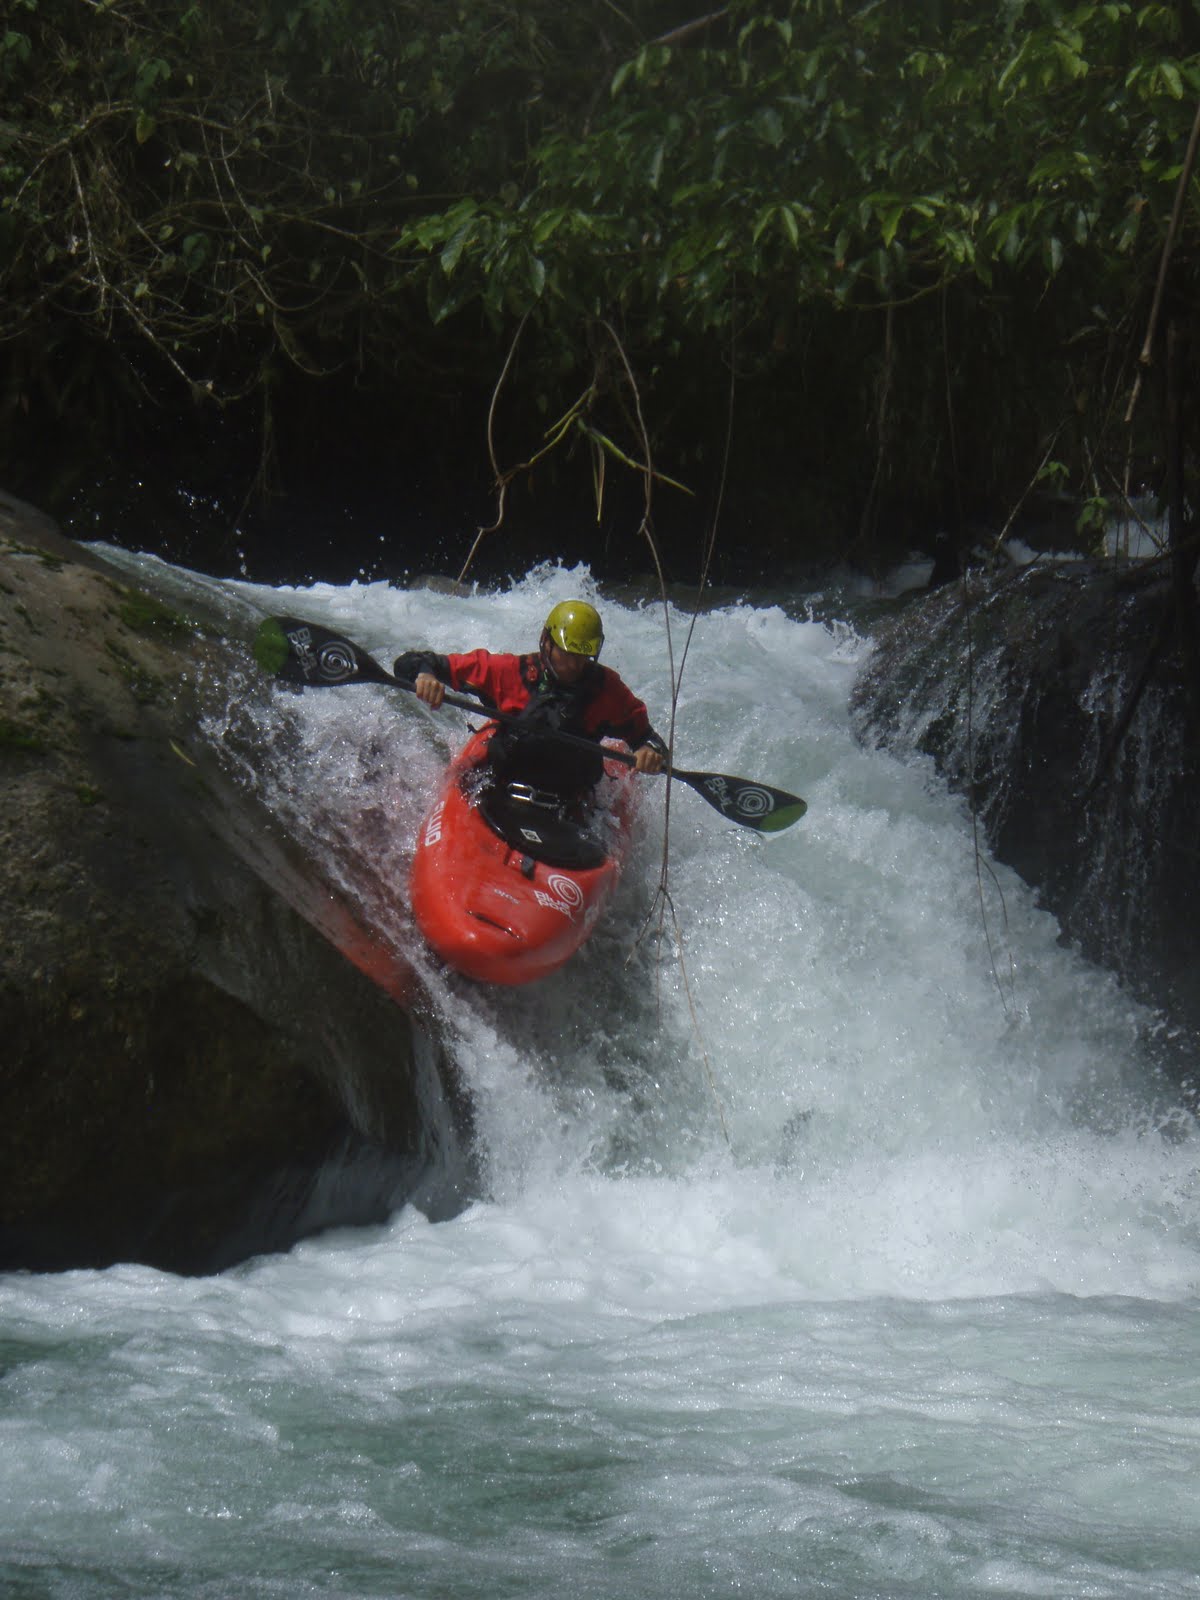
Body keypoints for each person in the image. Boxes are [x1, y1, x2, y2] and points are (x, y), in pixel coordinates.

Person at [394, 599, 667, 806]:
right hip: (502, 786)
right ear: (546, 642)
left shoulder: (606, 690)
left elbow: (649, 739)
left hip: (571, 801)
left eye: (583, 656)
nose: (574, 664)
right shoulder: (509, 672)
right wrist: (426, 676)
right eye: (567, 652)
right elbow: (412, 662)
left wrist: (649, 752)